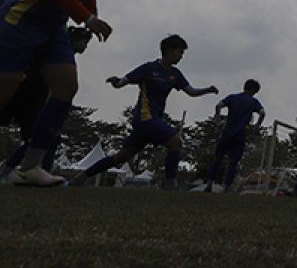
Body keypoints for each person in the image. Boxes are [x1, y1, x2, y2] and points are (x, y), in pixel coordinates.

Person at [0, 0, 143, 186]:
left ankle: (29, 167)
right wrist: (86, 18)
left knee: (66, 85)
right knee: (7, 85)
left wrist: (92, 14)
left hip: (52, 26)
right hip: (24, 17)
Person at [75, 34, 218, 189]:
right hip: (144, 117)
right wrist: (116, 82)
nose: (181, 56)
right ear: (168, 51)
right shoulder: (149, 68)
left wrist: (208, 90)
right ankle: (171, 185)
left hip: (153, 119)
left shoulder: (175, 74)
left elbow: (191, 91)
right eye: (179, 52)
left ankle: (80, 178)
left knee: (121, 157)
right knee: (176, 142)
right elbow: (125, 80)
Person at [0, 26, 92, 180]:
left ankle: (28, 170)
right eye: (84, 42)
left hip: (34, 92)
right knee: (41, 135)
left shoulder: (63, 54)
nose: (85, 46)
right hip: (27, 90)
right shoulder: (56, 51)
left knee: (45, 137)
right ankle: (13, 169)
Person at [205, 79, 265, 192]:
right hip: (240, 135)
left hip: (227, 132)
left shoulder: (233, 97)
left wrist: (217, 122)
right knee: (233, 162)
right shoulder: (253, 102)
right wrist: (256, 126)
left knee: (217, 159)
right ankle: (226, 187)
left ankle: (209, 184)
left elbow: (218, 106)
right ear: (253, 90)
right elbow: (262, 112)